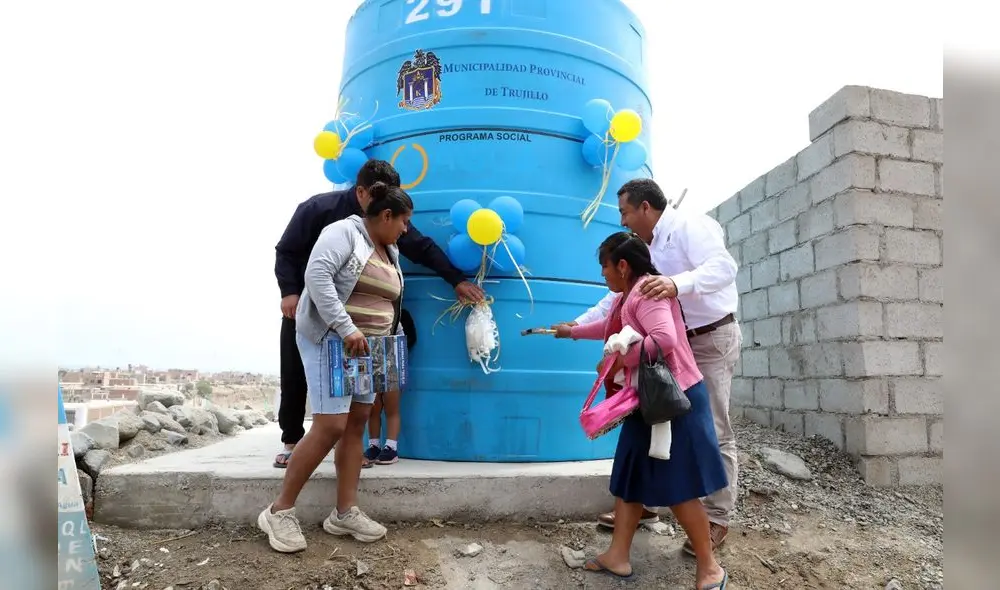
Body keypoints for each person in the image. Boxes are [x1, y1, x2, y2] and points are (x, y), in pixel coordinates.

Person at [557, 178, 740, 555]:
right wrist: (575, 328)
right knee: (659, 426)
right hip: (671, 348)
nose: (623, 220)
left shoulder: (691, 226)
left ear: (645, 208)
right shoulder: (644, 253)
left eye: (625, 211)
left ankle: (716, 519)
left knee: (711, 430)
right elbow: (613, 304)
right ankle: (646, 505)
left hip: (708, 337)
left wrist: (676, 284)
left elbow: (725, 267)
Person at [274, 160, 485, 468]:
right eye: (380, 195)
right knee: (296, 373)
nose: (394, 218)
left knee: (359, 403)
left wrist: (456, 279)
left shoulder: (389, 222)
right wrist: (289, 291)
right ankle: (292, 440)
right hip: (314, 313)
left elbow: (423, 248)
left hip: (361, 326)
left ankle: (349, 451)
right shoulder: (324, 212)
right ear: (361, 192)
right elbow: (290, 252)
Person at [258, 182, 414, 553]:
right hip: (331, 341)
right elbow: (317, 279)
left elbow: (387, 299)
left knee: (357, 423)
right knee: (330, 425)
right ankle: (278, 511)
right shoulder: (343, 232)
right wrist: (347, 328)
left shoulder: (389, 250)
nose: (406, 230)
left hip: (369, 350)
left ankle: (344, 512)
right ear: (386, 215)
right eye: (404, 221)